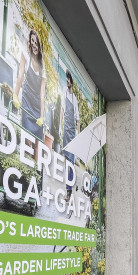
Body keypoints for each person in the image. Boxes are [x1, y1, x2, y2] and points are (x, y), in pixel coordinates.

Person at [14, 29, 46, 140]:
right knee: (26, 136)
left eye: (36, 42)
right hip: (27, 101)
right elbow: (20, 76)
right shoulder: (25, 56)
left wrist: (42, 116)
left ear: (39, 46)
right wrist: (15, 95)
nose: (34, 45)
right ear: (29, 42)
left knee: (37, 140)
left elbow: (42, 94)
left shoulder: (43, 67)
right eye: (32, 41)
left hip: (37, 105)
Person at [60, 70, 80, 201]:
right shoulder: (64, 93)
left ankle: (68, 190)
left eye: (69, 79)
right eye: (66, 79)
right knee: (66, 161)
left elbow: (77, 119)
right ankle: (68, 186)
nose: (67, 81)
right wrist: (60, 125)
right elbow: (62, 110)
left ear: (71, 82)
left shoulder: (75, 100)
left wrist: (77, 134)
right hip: (65, 130)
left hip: (72, 132)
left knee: (71, 162)